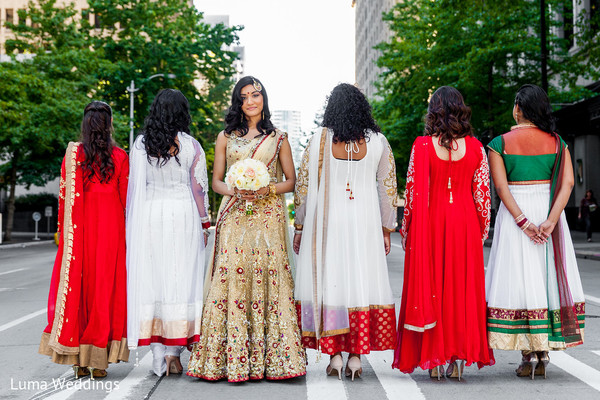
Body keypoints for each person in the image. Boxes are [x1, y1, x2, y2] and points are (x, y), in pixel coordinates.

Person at [186, 76, 306, 382]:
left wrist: (265, 189)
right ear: (237, 102)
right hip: (235, 216)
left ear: (263, 98)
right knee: (232, 280)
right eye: (244, 97)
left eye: (256, 95)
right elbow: (216, 182)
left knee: (269, 278)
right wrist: (237, 191)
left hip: (268, 218)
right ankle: (229, 360)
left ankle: (275, 361)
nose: (251, 101)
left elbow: (291, 181)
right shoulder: (226, 136)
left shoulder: (279, 137)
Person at [293, 83, 400, 381]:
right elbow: (387, 190)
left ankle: (335, 356)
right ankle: (356, 356)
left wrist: (299, 227)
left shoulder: (318, 141)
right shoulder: (379, 142)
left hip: (327, 224)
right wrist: (386, 228)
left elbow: (302, 190)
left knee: (332, 283)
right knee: (360, 282)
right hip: (364, 223)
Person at [393, 86, 494, 380]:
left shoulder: (422, 146)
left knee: (434, 288)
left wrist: (407, 229)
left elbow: (411, 193)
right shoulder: (476, 148)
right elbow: (483, 196)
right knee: (460, 292)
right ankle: (457, 358)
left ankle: (434, 359)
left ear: (433, 110)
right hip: (465, 224)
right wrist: (482, 232)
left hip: (431, 223)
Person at [486, 84, 585, 379]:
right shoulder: (558, 144)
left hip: (517, 215)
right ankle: (544, 351)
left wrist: (523, 223)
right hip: (548, 211)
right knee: (547, 278)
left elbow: (501, 188)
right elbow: (567, 184)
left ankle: (527, 354)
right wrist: (550, 221)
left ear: (518, 108)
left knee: (519, 279)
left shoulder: (498, 144)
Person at [39, 101, 129, 379]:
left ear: (85, 124)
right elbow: (127, 200)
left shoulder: (73, 155)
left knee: (79, 288)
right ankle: (99, 360)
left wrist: (63, 234)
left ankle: (78, 359)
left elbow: (64, 198)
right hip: (111, 230)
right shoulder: (120, 156)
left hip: (79, 231)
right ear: (109, 124)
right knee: (104, 290)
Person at [126, 89, 210, 377]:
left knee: (154, 278)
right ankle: (175, 352)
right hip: (182, 215)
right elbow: (198, 189)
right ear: (183, 113)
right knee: (181, 277)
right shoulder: (191, 146)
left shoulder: (140, 145)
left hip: (150, 215)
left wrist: (132, 226)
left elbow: (135, 188)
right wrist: (205, 223)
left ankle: (158, 355)